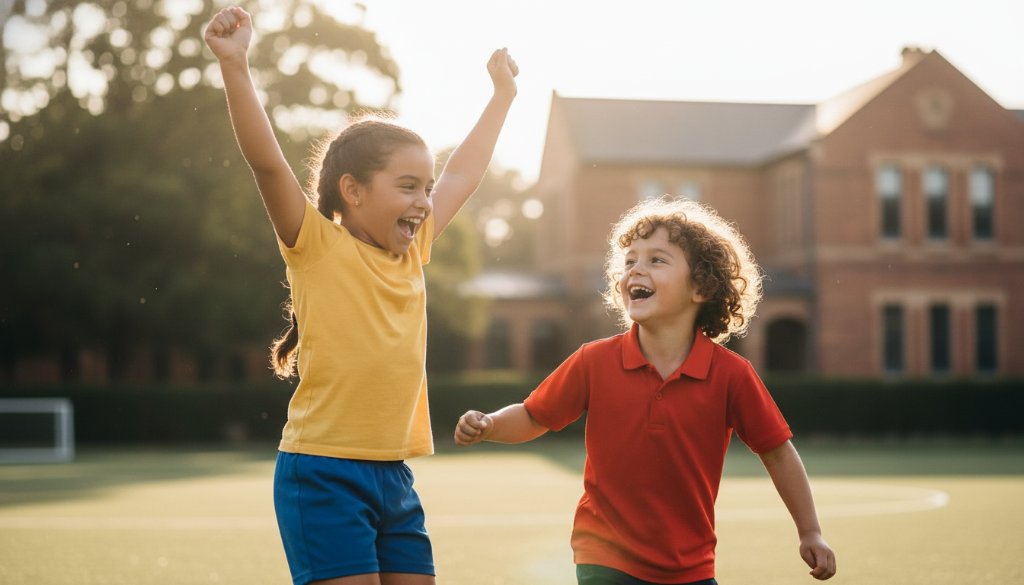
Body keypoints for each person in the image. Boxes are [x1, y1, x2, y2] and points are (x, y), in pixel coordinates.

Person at [205, 6, 518, 585]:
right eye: (407, 186)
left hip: (393, 475)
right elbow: (268, 164)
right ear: (352, 191)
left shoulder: (414, 249)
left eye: (425, 187)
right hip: (322, 471)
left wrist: (501, 97)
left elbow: (464, 174)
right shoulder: (317, 246)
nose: (425, 200)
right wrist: (235, 67)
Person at [455, 197, 837, 584]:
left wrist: (810, 531)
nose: (636, 269)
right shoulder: (594, 360)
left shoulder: (731, 375)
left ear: (702, 287)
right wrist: (490, 423)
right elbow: (534, 416)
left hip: (691, 565)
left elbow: (777, 453)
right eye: (629, 260)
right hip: (604, 556)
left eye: (657, 260)